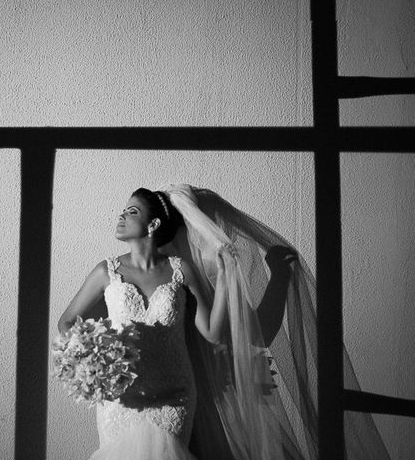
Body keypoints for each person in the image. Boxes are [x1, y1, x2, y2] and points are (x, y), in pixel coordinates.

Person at [57, 184, 390, 460]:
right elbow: (67, 321)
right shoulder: (106, 271)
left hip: (175, 396)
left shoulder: (180, 271)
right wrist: (94, 353)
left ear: (153, 224)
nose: (121, 215)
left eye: (131, 211)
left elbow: (214, 333)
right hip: (122, 395)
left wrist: (228, 275)